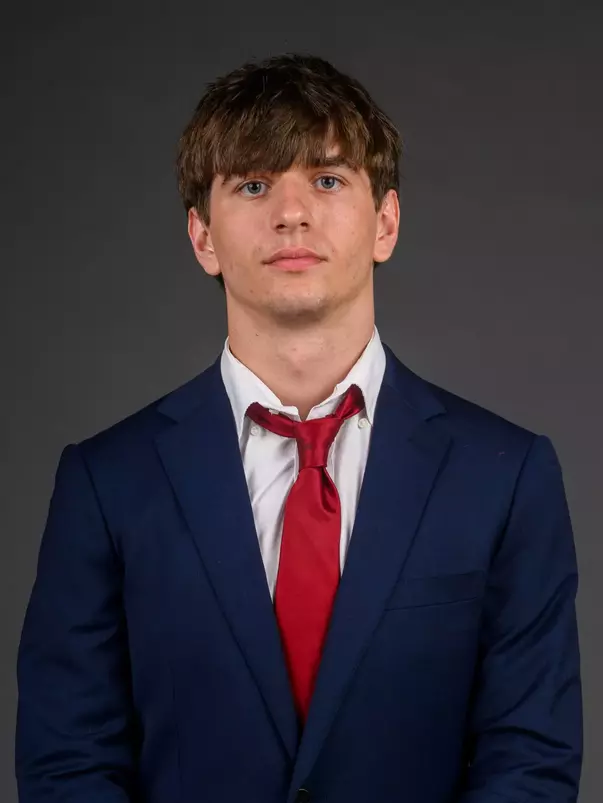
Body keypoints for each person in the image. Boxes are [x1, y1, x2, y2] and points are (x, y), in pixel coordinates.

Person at [15, 53, 583, 803]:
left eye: (327, 179)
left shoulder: (504, 475)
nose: (291, 212)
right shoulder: (106, 482)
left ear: (385, 222)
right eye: (253, 184)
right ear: (202, 236)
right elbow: (67, 762)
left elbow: (531, 760)